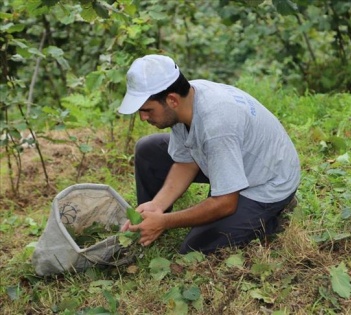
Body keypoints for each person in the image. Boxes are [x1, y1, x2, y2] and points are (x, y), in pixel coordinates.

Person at [118, 54, 301, 254]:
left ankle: (272, 216)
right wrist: (157, 204)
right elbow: (186, 163)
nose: (143, 117)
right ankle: (150, 221)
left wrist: (167, 222)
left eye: (147, 110)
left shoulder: (217, 125)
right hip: (232, 158)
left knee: (194, 249)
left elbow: (225, 204)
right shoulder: (185, 100)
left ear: (171, 100)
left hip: (267, 182)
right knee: (148, 149)